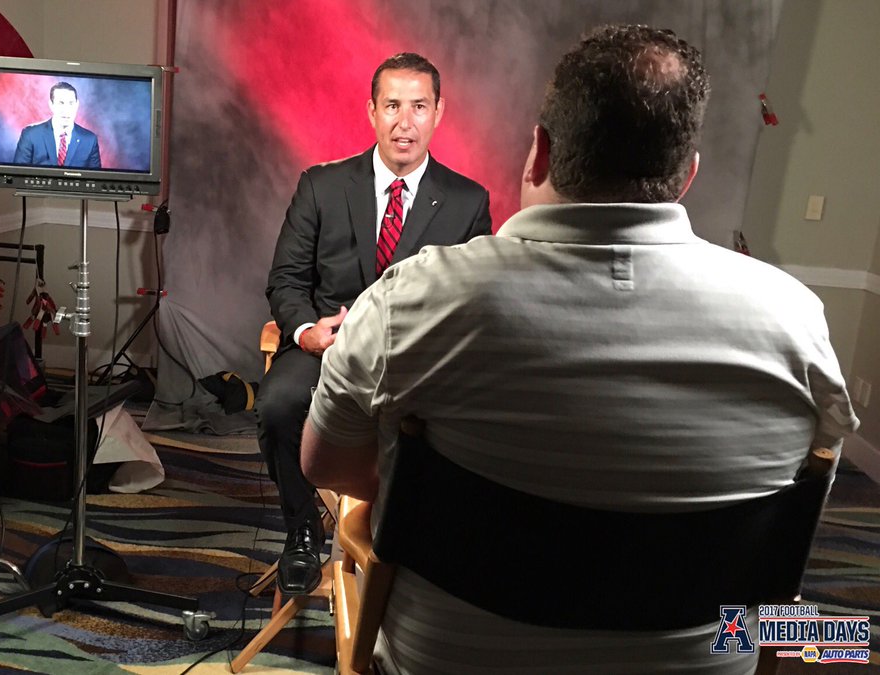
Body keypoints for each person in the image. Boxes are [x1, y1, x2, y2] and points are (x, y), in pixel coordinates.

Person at [301, 24, 858, 673]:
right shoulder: (796, 321)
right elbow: (792, 519)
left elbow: (326, 461)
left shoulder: (411, 301)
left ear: (539, 152)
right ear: (687, 175)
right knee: (819, 630)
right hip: (709, 659)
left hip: (451, 661)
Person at [257, 52, 492, 596]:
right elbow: (285, 280)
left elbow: (477, 302)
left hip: (418, 365)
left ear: (439, 113)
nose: (404, 122)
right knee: (277, 405)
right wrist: (305, 332)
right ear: (371, 111)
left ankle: (411, 537)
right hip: (327, 353)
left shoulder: (468, 201)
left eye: (418, 107)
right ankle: (302, 530)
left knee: (455, 427)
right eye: (392, 106)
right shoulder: (321, 185)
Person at [13, 82, 101, 168]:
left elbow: (94, 176)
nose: (66, 110)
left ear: (77, 105)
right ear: (51, 105)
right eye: (61, 103)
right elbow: (18, 174)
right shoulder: (30, 135)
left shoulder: (90, 140)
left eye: (71, 103)